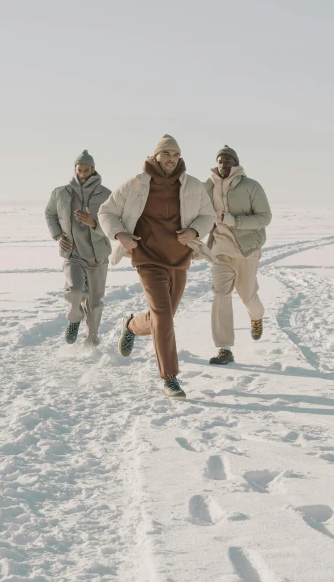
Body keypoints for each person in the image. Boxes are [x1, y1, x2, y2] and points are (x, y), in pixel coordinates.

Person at [98, 135, 216, 399]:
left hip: (179, 258)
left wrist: (195, 231)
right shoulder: (136, 185)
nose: (171, 159)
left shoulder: (193, 186)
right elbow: (106, 212)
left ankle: (130, 326)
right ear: (155, 157)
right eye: (166, 154)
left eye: (175, 154)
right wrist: (119, 235)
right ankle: (170, 378)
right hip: (147, 257)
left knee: (162, 318)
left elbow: (208, 215)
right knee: (163, 315)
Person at [204, 145, 272, 365]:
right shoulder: (207, 186)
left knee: (247, 295)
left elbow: (264, 218)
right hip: (219, 251)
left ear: (236, 163)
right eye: (221, 160)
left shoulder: (251, 186)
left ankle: (256, 316)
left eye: (228, 160)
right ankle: (224, 348)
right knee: (220, 294)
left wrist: (235, 221)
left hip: (247, 250)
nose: (224, 164)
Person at [45, 150, 111, 346]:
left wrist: (94, 224)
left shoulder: (107, 194)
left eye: (86, 170)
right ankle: (74, 319)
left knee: (94, 302)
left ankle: (92, 338)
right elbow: (50, 214)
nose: (83, 174)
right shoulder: (61, 193)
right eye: (79, 170)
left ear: (93, 170)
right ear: (75, 170)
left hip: (97, 256)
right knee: (74, 291)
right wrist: (58, 235)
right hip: (72, 254)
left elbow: (116, 223)